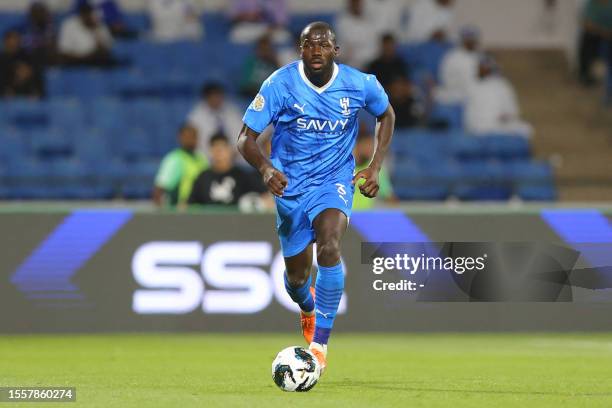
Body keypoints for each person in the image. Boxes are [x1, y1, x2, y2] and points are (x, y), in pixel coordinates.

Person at [237, 22, 395, 374]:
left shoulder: (359, 84)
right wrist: (265, 168)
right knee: (296, 280)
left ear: (336, 51)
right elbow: (244, 139)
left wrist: (374, 166)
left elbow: (386, 114)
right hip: (290, 187)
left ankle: (319, 346)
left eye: (324, 45)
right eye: (310, 45)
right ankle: (307, 307)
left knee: (330, 246)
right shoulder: (280, 84)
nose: (317, 51)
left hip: (334, 181)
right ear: (300, 49)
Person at [189, 133, 270, 208]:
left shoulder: (241, 176)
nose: (219, 153)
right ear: (210, 152)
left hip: (236, 222)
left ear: (229, 151)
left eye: (222, 149)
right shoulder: (203, 177)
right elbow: (190, 204)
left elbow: (264, 197)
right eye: (215, 149)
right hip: (208, 222)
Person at [464, 56, 533, 137]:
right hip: (479, 126)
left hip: (496, 125)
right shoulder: (473, 86)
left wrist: (506, 116)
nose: (481, 71)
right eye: (480, 68)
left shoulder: (502, 85)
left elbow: (512, 110)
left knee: (525, 128)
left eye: (484, 68)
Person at [153, 124, 208, 207]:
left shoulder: (202, 159)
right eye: (186, 136)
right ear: (180, 138)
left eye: (193, 136)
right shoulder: (174, 159)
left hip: (200, 211)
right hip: (181, 212)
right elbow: (159, 189)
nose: (190, 140)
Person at [187, 82, 244, 158]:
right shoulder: (195, 117)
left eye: (218, 96)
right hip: (206, 159)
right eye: (213, 97)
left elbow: (242, 134)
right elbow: (195, 144)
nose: (216, 99)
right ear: (206, 98)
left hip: (233, 158)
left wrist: (233, 152)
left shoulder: (232, 111)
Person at [435, 26, 481, 103]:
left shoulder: (479, 56)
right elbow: (444, 78)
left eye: (473, 40)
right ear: (462, 40)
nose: (471, 42)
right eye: (468, 40)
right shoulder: (452, 57)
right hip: (456, 96)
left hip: (476, 95)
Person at [352, 131, 396, 210]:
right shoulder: (344, 167)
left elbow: (388, 195)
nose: (370, 150)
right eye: (367, 145)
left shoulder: (376, 171)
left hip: (366, 217)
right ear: (358, 145)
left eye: (372, 147)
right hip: (345, 217)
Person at [0, 30, 45, 99]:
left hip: (26, 92)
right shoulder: (2, 59)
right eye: (11, 40)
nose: (14, 43)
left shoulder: (26, 57)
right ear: (5, 41)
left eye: (16, 39)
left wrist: (27, 72)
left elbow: (35, 73)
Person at [578, 0, 612, 86]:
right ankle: (586, 73)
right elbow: (585, 23)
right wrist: (602, 31)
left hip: (607, 34)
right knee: (588, 38)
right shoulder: (592, 4)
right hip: (597, 34)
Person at [336, 0, 378, 69]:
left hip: (371, 63)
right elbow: (341, 49)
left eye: (358, 2)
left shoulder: (370, 20)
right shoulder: (342, 23)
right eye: (354, 2)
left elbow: (374, 44)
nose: (357, 5)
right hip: (352, 64)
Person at [239, 34, 279, 98]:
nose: (265, 51)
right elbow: (246, 82)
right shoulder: (251, 62)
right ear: (257, 49)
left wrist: (276, 62)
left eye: (267, 49)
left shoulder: (273, 63)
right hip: (251, 91)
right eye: (262, 49)